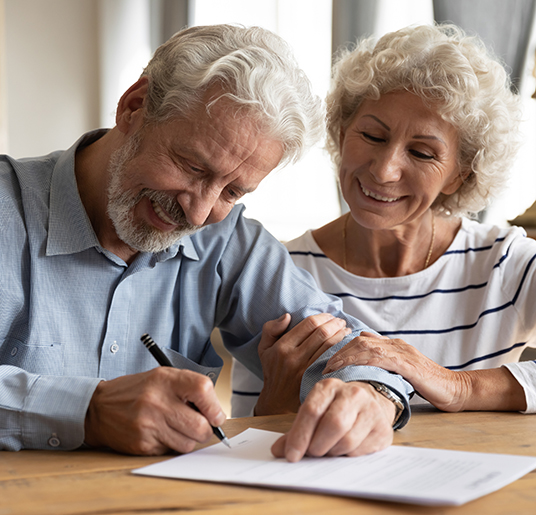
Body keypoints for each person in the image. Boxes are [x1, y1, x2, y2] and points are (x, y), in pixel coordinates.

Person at [0, 24, 413, 460]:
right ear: (134, 106)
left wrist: (371, 397)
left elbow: (351, 345)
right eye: (192, 166)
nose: (198, 214)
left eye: (232, 191)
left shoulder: (226, 237)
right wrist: (91, 411)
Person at [231, 23, 536, 418]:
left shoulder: (506, 264)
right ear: (342, 133)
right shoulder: (279, 274)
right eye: (373, 136)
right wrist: (278, 404)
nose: (385, 170)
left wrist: (457, 385)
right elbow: (244, 442)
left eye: (423, 153)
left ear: (460, 174)